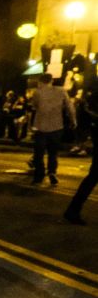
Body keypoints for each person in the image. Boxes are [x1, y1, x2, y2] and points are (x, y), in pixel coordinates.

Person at [29, 72, 73, 186]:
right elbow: (69, 107)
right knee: (53, 152)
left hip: (41, 126)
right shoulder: (61, 91)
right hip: (56, 125)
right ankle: (52, 172)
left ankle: (39, 175)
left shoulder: (37, 92)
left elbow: (34, 106)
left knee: (39, 152)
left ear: (40, 81)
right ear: (51, 81)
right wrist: (73, 120)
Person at [64, 78, 98, 224]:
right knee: (93, 177)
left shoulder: (92, 97)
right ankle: (73, 210)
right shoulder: (94, 98)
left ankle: (73, 210)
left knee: (92, 177)